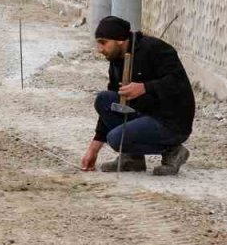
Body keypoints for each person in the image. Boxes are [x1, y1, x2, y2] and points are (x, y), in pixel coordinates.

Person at [81, 15, 195, 176]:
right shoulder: (116, 60)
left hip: (170, 121)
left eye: (103, 42)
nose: (100, 49)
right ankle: (133, 159)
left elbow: (178, 83)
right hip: (144, 113)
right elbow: (113, 104)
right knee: (104, 99)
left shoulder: (155, 49)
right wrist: (93, 150)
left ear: (120, 40)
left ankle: (173, 151)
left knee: (115, 139)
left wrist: (145, 88)